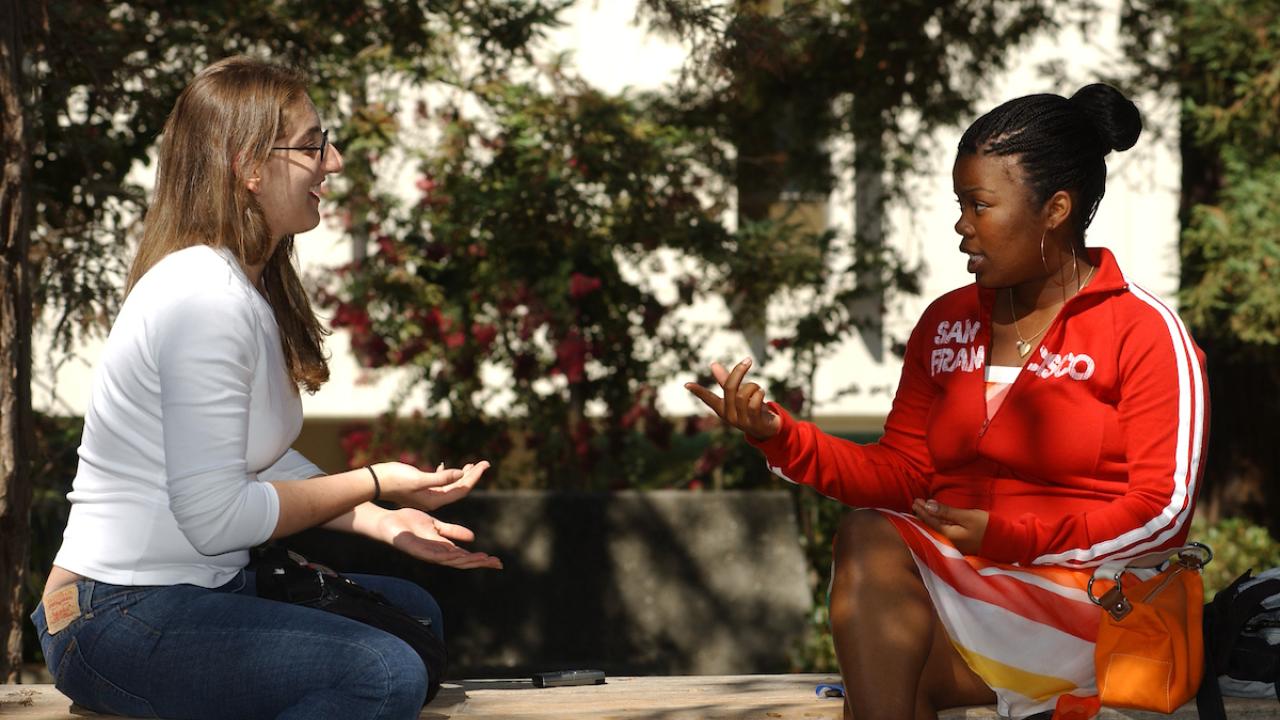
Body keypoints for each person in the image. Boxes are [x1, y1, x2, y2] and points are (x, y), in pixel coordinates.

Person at [687, 83, 1208, 719]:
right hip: (971, 596)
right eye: (959, 205)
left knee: (878, 620)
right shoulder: (946, 321)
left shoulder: (1144, 330)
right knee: (886, 631)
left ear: (1055, 210)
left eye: (980, 205)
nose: (962, 226)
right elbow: (901, 475)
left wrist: (1012, 537)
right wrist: (779, 436)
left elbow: (1164, 514)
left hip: (1097, 608)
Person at [30, 56, 502, 720]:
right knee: (380, 673)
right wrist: (374, 479)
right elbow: (219, 516)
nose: (333, 162)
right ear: (249, 165)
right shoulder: (202, 299)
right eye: (314, 144)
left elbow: (258, 458)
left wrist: (381, 521)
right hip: (111, 614)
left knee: (412, 613)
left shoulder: (239, 286)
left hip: (189, 590)